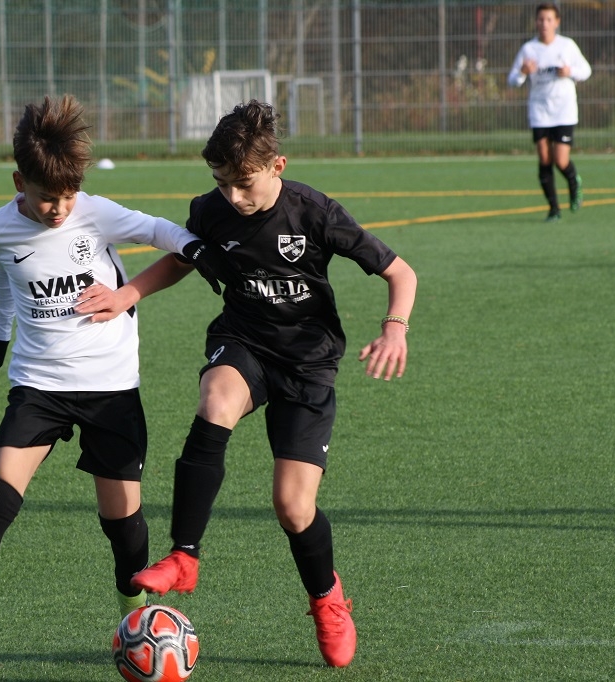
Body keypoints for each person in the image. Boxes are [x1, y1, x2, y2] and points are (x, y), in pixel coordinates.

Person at [0, 94, 230, 680]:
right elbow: (7, 279)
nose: (58, 209)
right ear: (18, 182)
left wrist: (194, 251)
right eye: (45, 197)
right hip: (39, 385)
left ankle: (134, 613)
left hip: (110, 388)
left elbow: (161, 231)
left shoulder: (95, 212)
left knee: (123, 523)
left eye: (67, 196)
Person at [90, 100, 417, 668]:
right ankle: (184, 555)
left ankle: (327, 599)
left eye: (244, 184)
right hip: (243, 340)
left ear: (277, 166)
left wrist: (394, 328)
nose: (234, 197)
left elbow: (399, 271)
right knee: (216, 400)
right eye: (222, 183)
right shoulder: (210, 211)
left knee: (292, 507)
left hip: (308, 363)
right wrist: (128, 294)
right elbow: (182, 259)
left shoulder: (314, 212)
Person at [508, 3, 592, 222]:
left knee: (561, 160)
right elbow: (513, 80)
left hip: (564, 111)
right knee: (544, 159)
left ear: (557, 22)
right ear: (536, 22)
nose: (544, 23)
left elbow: (586, 70)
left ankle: (573, 182)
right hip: (539, 112)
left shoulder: (567, 46)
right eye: (540, 19)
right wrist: (523, 72)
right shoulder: (529, 49)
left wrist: (570, 71)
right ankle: (554, 209)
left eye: (548, 19)